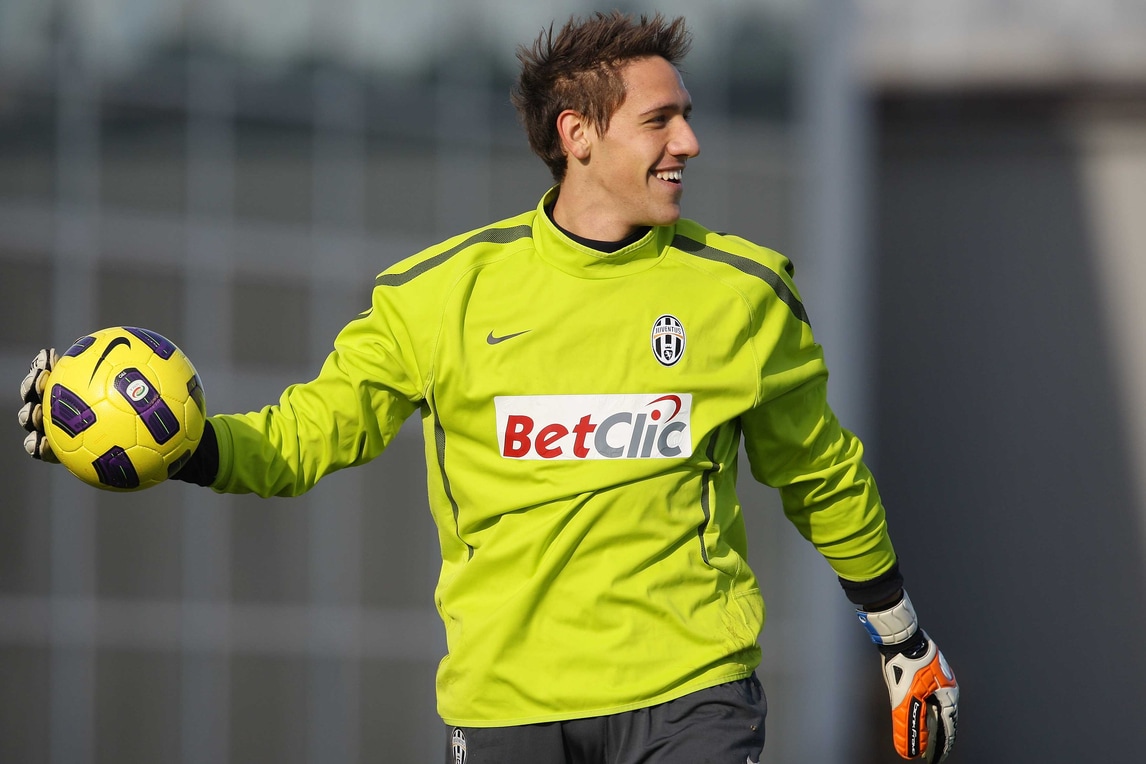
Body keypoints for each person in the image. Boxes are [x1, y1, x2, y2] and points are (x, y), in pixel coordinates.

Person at [19, 11, 958, 764]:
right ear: (577, 133)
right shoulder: (438, 295)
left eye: (686, 115)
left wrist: (902, 639)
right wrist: (186, 448)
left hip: (693, 694)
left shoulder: (744, 292)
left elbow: (820, 473)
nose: (691, 141)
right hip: (506, 706)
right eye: (660, 120)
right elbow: (309, 433)